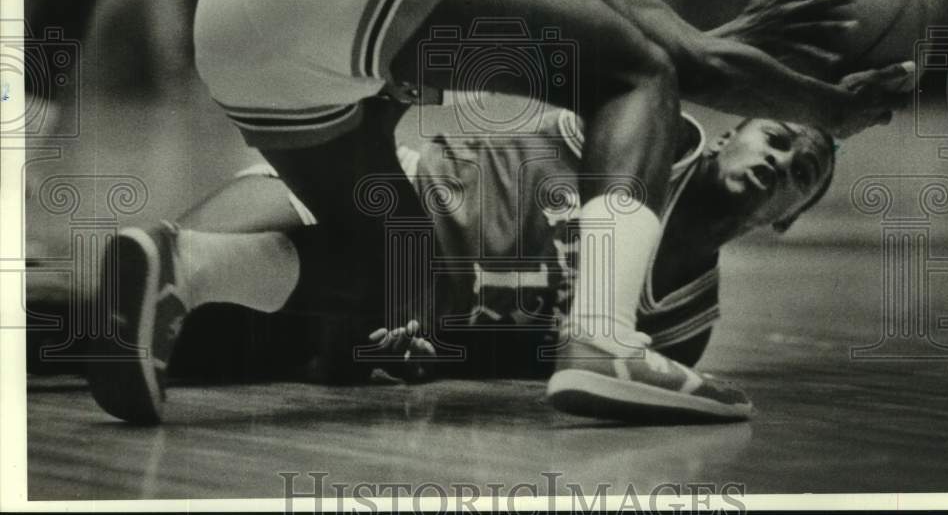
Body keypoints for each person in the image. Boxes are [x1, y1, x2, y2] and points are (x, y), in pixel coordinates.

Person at [88, 0, 911, 424]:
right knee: (640, 73)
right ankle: (603, 336)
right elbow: (662, 66)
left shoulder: (453, 17)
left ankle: (183, 263)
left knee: (393, 273)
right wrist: (832, 107)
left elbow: (647, 57)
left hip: (233, 28)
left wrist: (726, 45)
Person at [85, 99, 835, 423]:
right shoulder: (652, 139)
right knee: (118, 299)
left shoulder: (683, 331)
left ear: (790, 218)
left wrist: (420, 359)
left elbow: (513, 364)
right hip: (374, 207)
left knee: (121, 337)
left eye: (801, 171)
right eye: (774, 137)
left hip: (365, 319)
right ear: (731, 132)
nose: (778, 160)